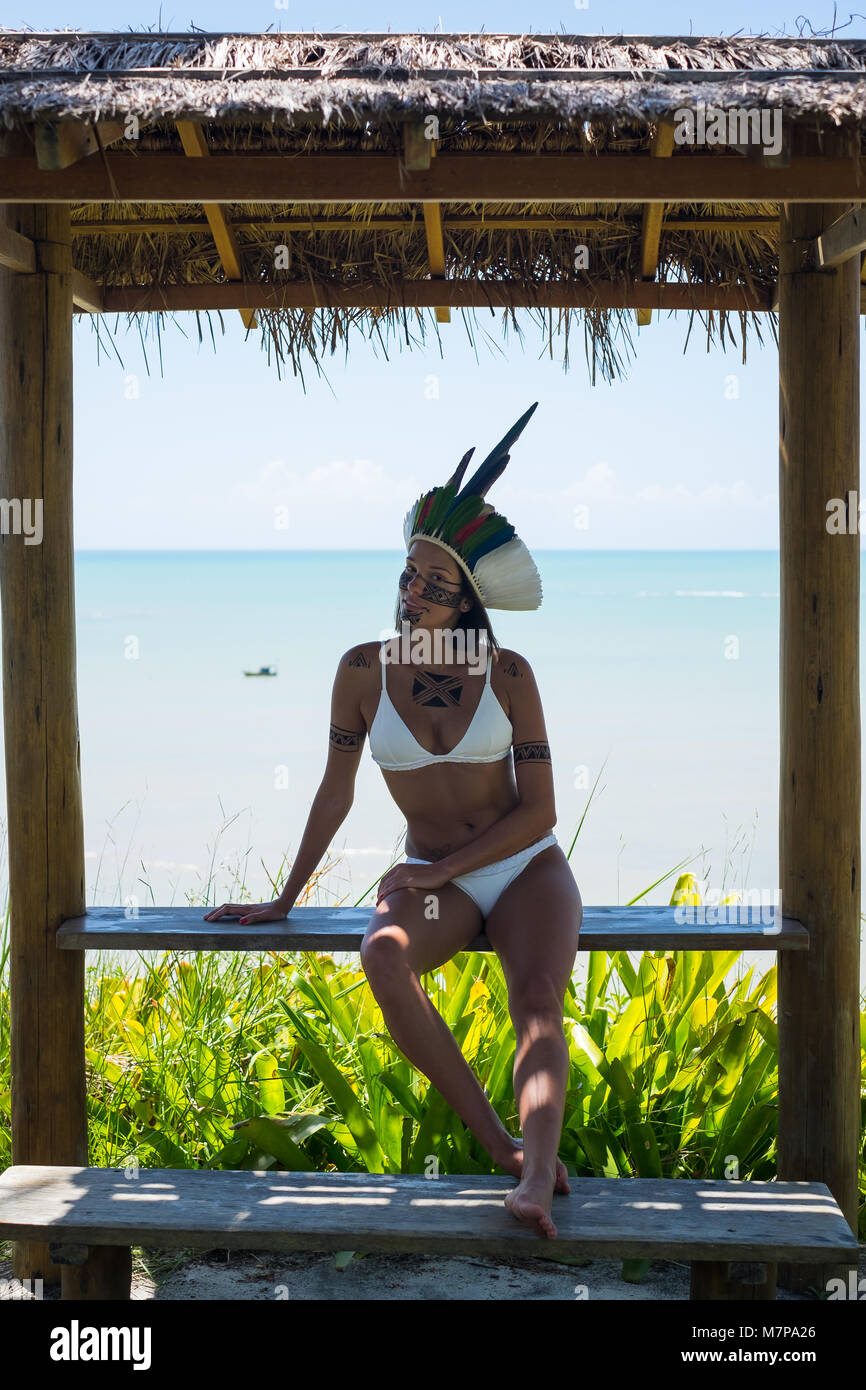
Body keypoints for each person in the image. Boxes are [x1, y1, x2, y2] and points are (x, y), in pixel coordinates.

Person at [205, 403, 582, 1238]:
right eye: (407, 576)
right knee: (381, 954)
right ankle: (503, 1150)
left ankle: (538, 1171)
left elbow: (543, 810)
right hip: (435, 878)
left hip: (523, 868)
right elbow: (334, 791)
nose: (413, 594)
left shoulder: (511, 674)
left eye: (434, 585)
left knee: (536, 1000)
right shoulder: (361, 671)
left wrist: (447, 870)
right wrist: (284, 896)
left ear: (468, 602)